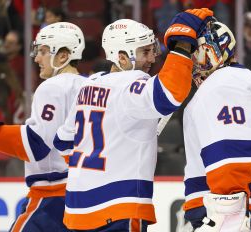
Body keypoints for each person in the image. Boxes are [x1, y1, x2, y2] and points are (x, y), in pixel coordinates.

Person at [53, 9, 213, 231]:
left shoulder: (88, 85)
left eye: (153, 49)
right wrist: (183, 46)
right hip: (118, 206)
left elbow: (62, 141)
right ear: (121, 57)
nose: (152, 58)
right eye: (145, 52)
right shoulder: (131, 82)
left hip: (76, 209)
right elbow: (169, 93)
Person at [183, 20, 251, 231]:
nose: (191, 62)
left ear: (212, 52)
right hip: (237, 208)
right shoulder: (236, 80)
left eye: (195, 54)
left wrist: (226, 216)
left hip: (237, 214)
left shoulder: (224, 83)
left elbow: (233, 158)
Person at [0, 22, 86, 231]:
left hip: (52, 200)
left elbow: (36, 143)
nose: (37, 58)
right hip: (83, 198)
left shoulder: (53, 87)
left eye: (44, 51)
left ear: (63, 55)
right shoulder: (91, 87)